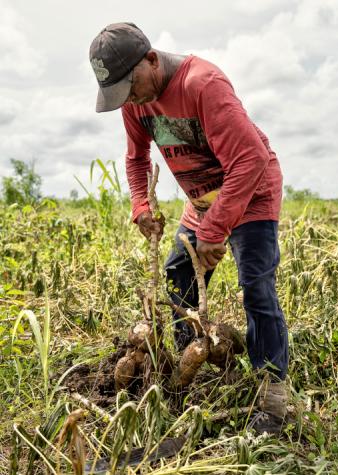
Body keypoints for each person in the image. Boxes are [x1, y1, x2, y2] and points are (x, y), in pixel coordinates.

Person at [89, 22, 289, 434]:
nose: (129, 98)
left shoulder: (203, 84)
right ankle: (188, 360)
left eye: (131, 85)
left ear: (151, 59)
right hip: (201, 200)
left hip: (250, 194)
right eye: (120, 93)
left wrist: (215, 231)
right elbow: (136, 159)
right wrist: (141, 205)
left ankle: (273, 393)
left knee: (256, 286)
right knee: (179, 273)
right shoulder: (134, 101)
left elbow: (249, 160)